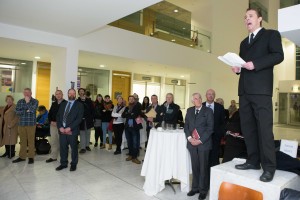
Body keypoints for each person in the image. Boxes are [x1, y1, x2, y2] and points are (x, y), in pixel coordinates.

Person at [232, 7, 284, 182]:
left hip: (261, 91)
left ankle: (269, 167)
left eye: (250, 16)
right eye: (245, 17)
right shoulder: (243, 43)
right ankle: (253, 161)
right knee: (248, 129)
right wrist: (237, 69)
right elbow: (242, 64)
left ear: (260, 18)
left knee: (264, 130)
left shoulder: (271, 35)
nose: (247, 19)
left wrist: (256, 64)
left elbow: (278, 56)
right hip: (244, 92)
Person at [184, 93, 214, 200]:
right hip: (192, 144)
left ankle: (203, 190)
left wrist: (200, 140)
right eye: (196, 98)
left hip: (203, 144)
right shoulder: (189, 110)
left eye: (199, 98)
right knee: (195, 167)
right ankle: (195, 188)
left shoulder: (208, 111)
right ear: (192, 101)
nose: (198, 100)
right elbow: (186, 126)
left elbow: (210, 128)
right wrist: (189, 138)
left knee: (203, 168)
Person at [56, 88, 84, 171]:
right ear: (67, 94)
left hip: (72, 130)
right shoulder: (63, 104)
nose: (71, 95)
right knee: (63, 148)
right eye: (70, 93)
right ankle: (63, 163)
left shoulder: (79, 105)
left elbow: (79, 119)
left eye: (73, 93)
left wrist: (70, 127)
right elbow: (58, 116)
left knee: (74, 148)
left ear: (75, 95)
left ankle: (74, 164)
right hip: (62, 130)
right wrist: (60, 127)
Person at [13, 88, 38, 164]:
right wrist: (26, 111)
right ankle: (22, 157)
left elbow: (33, 110)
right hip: (21, 124)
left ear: (31, 93)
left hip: (31, 124)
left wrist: (27, 103)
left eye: (28, 92)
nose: (26, 94)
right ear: (23, 93)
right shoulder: (20, 101)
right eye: (25, 93)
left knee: (31, 141)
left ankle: (31, 157)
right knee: (22, 141)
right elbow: (16, 111)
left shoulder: (35, 101)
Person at [203, 89, 225, 167]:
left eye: (212, 94)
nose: (211, 95)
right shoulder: (200, 106)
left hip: (216, 136)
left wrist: (220, 133)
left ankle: (213, 172)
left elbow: (223, 122)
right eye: (209, 94)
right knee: (204, 155)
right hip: (203, 136)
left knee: (214, 156)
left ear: (214, 96)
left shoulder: (220, 107)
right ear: (206, 96)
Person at [46, 90, 67, 163]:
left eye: (59, 94)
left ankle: (63, 158)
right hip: (53, 125)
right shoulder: (54, 104)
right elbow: (50, 114)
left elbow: (67, 116)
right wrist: (51, 121)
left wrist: (58, 122)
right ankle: (53, 157)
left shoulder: (66, 103)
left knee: (62, 142)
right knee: (54, 141)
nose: (58, 95)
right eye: (56, 94)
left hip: (61, 126)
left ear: (62, 94)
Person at [122, 95, 142, 164]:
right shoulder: (127, 107)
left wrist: (128, 114)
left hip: (135, 127)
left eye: (132, 99)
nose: (131, 100)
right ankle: (130, 155)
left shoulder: (137, 106)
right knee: (129, 142)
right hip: (128, 127)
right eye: (129, 99)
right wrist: (129, 113)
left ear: (134, 100)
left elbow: (135, 115)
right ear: (128, 100)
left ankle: (135, 157)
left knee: (135, 143)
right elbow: (123, 115)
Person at [77, 88, 94, 153]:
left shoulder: (89, 101)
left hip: (88, 120)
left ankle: (87, 146)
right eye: (80, 91)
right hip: (81, 120)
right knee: (82, 133)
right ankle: (82, 148)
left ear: (84, 92)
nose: (81, 92)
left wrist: (91, 118)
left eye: (82, 91)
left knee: (88, 133)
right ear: (78, 93)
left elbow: (92, 110)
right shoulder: (77, 101)